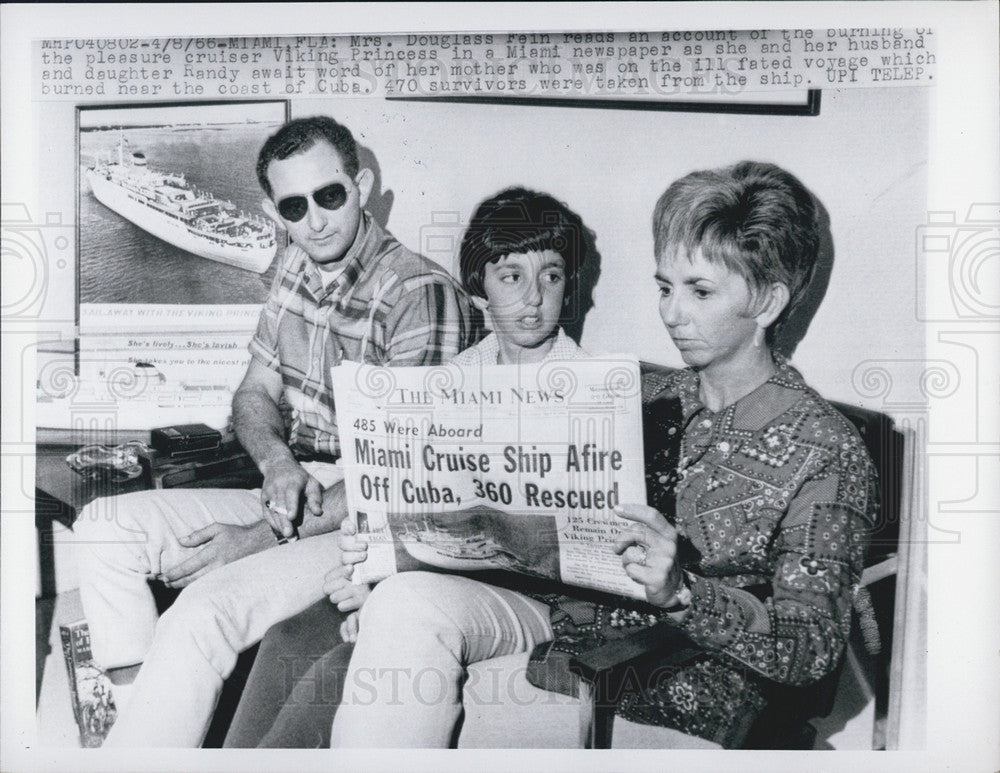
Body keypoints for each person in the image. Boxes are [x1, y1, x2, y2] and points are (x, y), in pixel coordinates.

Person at [329, 161, 879, 749]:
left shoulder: (827, 450)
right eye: (665, 288)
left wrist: (686, 593)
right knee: (403, 605)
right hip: (562, 623)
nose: (671, 313)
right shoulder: (631, 393)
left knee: (483, 697)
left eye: (699, 291)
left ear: (769, 301)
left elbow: (810, 647)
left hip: (673, 675)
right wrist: (395, 555)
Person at [73, 115, 475, 746]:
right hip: (299, 481)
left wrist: (259, 536)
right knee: (101, 529)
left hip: (367, 510)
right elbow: (255, 390)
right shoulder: (294, 266)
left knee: (203, 612)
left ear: (362, 185)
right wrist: (277, 465)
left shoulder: (418, 293)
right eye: (294, 206)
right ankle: (136, 734)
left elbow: (404, 476)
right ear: (274, 210)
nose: (314, 220)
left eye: (329, 196)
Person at [222, 186, 591, 746]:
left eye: (552, 276)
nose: (534, 298)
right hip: (430, 580)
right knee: (287, 642)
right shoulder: (446, 383)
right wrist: (368, 571)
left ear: (571, 285)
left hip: (534, 600)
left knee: (332, 673)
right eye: (511, 276)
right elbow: (405, 505)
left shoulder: (593, 388)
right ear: (481, 285)